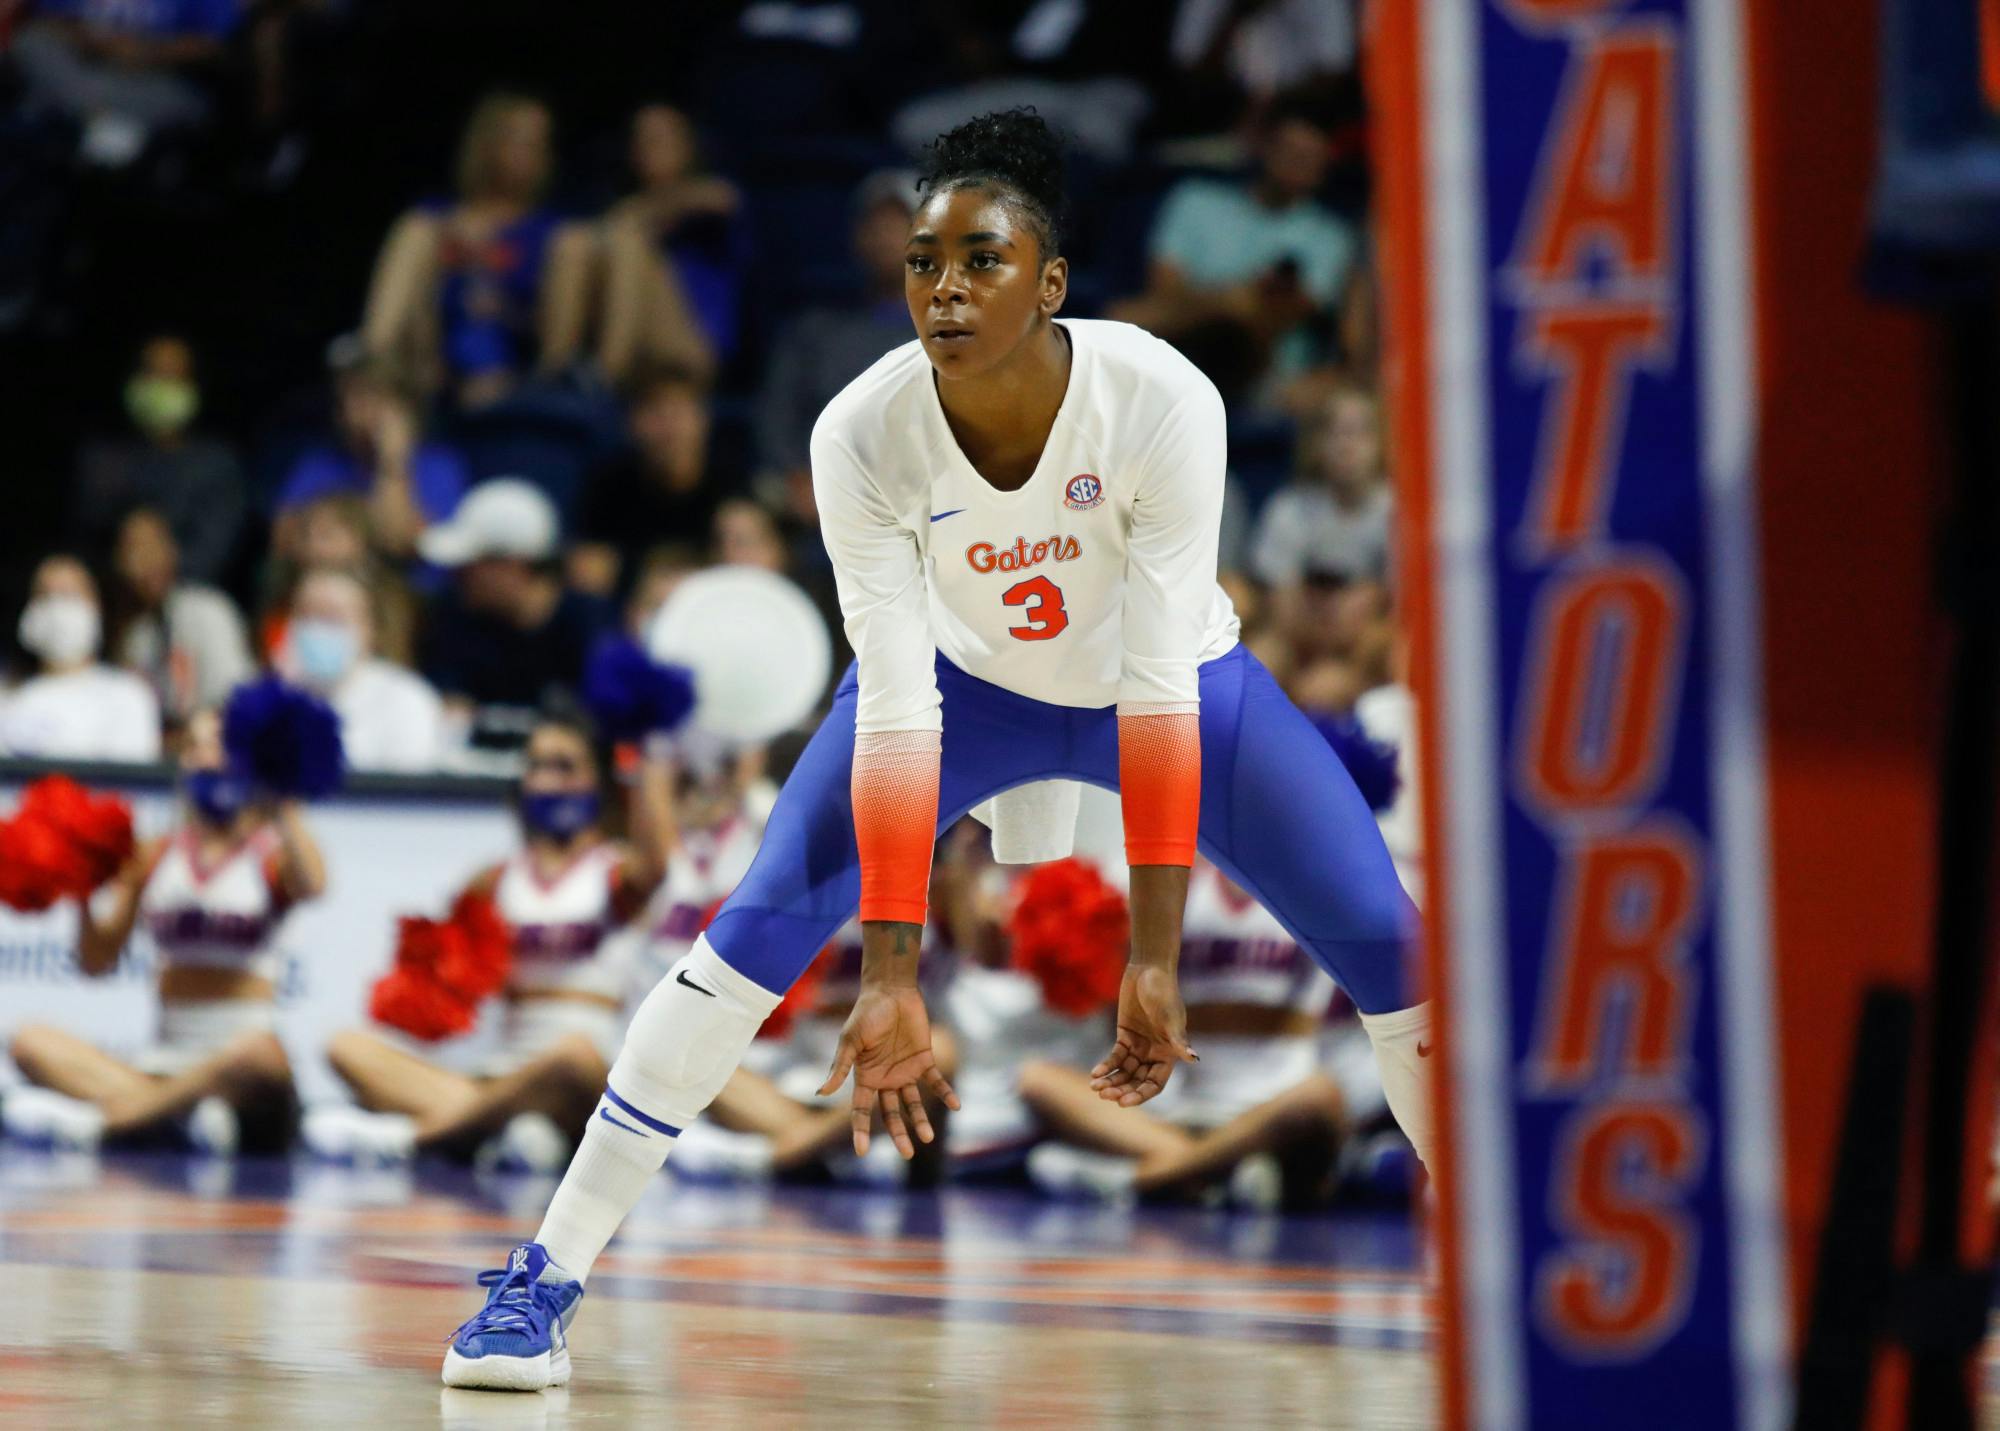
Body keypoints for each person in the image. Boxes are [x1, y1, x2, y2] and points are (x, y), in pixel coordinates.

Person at [437, 109, 1430, 1392]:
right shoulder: (859, 430)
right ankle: (545, 1278)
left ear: (1050, 283)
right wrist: (890, 971)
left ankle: (1500, 1280)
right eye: (922, 262)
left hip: (1173, 686)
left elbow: (1152, 687)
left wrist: (1153, 954)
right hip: (960, 694)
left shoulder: (1157, 394)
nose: (944, 288)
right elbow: (899, 706)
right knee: (745, 936)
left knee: (1391, 947)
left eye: (981, 260)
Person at [311, 711, 673, 1166]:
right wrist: (428, 985)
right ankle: (502, 1127)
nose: (547, 780)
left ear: (596, 781)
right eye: (536, 766)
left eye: (564, 767)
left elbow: (657, 865)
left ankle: (416, 1137)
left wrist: (649, 761)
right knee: (346, 1046)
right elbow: (443, 992)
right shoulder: (494, 880)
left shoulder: (614, 870)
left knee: (573, 1055)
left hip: (586, 1077)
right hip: (499, 1073)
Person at [3, 709, 324, 1156]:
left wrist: (283, 802)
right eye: (195, 747)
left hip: (238, 1060)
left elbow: (314, 884)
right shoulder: (154, 855)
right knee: (29, 1041)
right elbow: (96, 963)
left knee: (262, 1055)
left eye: (221, 746)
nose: (207, 757)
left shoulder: (269, 852)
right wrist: (81, 889)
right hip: (165, 1057)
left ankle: (109, 1121)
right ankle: (181, 1117)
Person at [1019, 856, 1363, 1208]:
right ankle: (1216, 1171)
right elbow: (1119, 1015)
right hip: (1186, 1110)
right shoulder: (1171, 882)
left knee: (1322, 1097)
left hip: (1276, 1113)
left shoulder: (1312, 885)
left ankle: (1135, 1178)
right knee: (1038, 1079)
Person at [1109, 90, 1358, 400]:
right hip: (1179, 347)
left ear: (1324, 166)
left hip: (1270, 377)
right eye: (1288, 151)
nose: (1294, 166)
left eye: (1307, 158)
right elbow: (1163, 292)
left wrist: (1233, 305)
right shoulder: (1194, 199)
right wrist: (1230, 301)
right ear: (1264, 146)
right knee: (1122, 319)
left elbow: (1283, 315)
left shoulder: (1332, 237)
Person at [360, 93, 595, 409]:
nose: (527, 152)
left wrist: (506, 312)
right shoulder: (433, 222)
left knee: (575, 245)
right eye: (516, 138)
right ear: (486, 143)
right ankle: (372, 368)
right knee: (417, 232)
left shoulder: (556, 234)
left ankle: (541, 400)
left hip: (518, 364)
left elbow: (555, 334)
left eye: (538, 143)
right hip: (432, 362)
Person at [754, 170, 924, 496]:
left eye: (900, 226)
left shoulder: (960, 336)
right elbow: (776, 417)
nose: (886, 237)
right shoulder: (813, 331)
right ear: (858, 238)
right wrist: (797, 476)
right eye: (876, 226)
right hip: (819, 496)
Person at [416, 479, 610, 753]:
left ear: (513, 566)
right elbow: (447, 708)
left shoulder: (591, 626)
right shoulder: (455, 619)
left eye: (471, 566)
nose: (459, 577)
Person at [71, 335, 248, 589]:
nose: (161, 385)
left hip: (188, 591)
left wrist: (158, 565)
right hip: (109, 590)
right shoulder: (102, 457)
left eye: (172, 376)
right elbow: (84, 540)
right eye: (152, 373)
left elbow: (214, 552)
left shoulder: (217, 463)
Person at [273, 355, 470, 563]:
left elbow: (400, 543)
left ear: (405, 409)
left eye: (381, 397)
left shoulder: (439, 464)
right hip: (338, 576)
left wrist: (392, 461)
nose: (370, 410)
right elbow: (283, 544)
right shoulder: (319, 464)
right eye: (358, 397)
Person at [597, 104, 747, 372]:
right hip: (640, 342)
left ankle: (604, 375)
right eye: (642, 140)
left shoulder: (712, 195)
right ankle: (553, 370)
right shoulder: (623, 209)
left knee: (628, 244)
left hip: (696, 347)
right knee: (573, 244)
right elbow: (609, 228)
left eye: (659, 139)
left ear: (687, 146)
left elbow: (721, 199)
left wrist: (643, 212)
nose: (649, 148)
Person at [566, 365, 734, 601]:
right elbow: (589, 569)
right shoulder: (610, 486)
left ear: (702, 419)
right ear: (632, 424)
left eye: (678, 412)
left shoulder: (732, 485)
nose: (669, 429)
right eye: (656, 414)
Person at [9, 0, 241, 165]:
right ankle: (90, 121)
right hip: (84, 70)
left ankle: (85, 123)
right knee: (32, 42)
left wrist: (150, 52)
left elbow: (217, 46)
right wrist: (93, 41)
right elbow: (45, 21)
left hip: (155, 82)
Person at [280, 565, 444, 773]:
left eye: (332, 616)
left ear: (368, 628)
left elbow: (409, 787)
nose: (317, 626)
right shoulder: (271, 698)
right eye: (306, 614)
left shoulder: (406, 699)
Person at [106, 506, 254, 735]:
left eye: (155, 545)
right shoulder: (136, 636)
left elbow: (238, 699)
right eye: (135, 549)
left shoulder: (209, 610)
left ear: (173, 550)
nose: (148, 559)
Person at [2, 555, 161, 763]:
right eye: (45, 595)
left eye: (69, 595)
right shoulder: (8, 699)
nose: (57, 607)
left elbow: (129, 778)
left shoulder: (127, 695)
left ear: (96, 608)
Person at [1249, 380, 1391, 589]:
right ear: (1316, 443)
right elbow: (1274, 591)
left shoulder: (1400, 513)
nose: (1347, 446)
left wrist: (1374, 595)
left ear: (1382, 441)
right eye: (1335, 432)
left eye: (1360, 432)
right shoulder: (1290, 508)